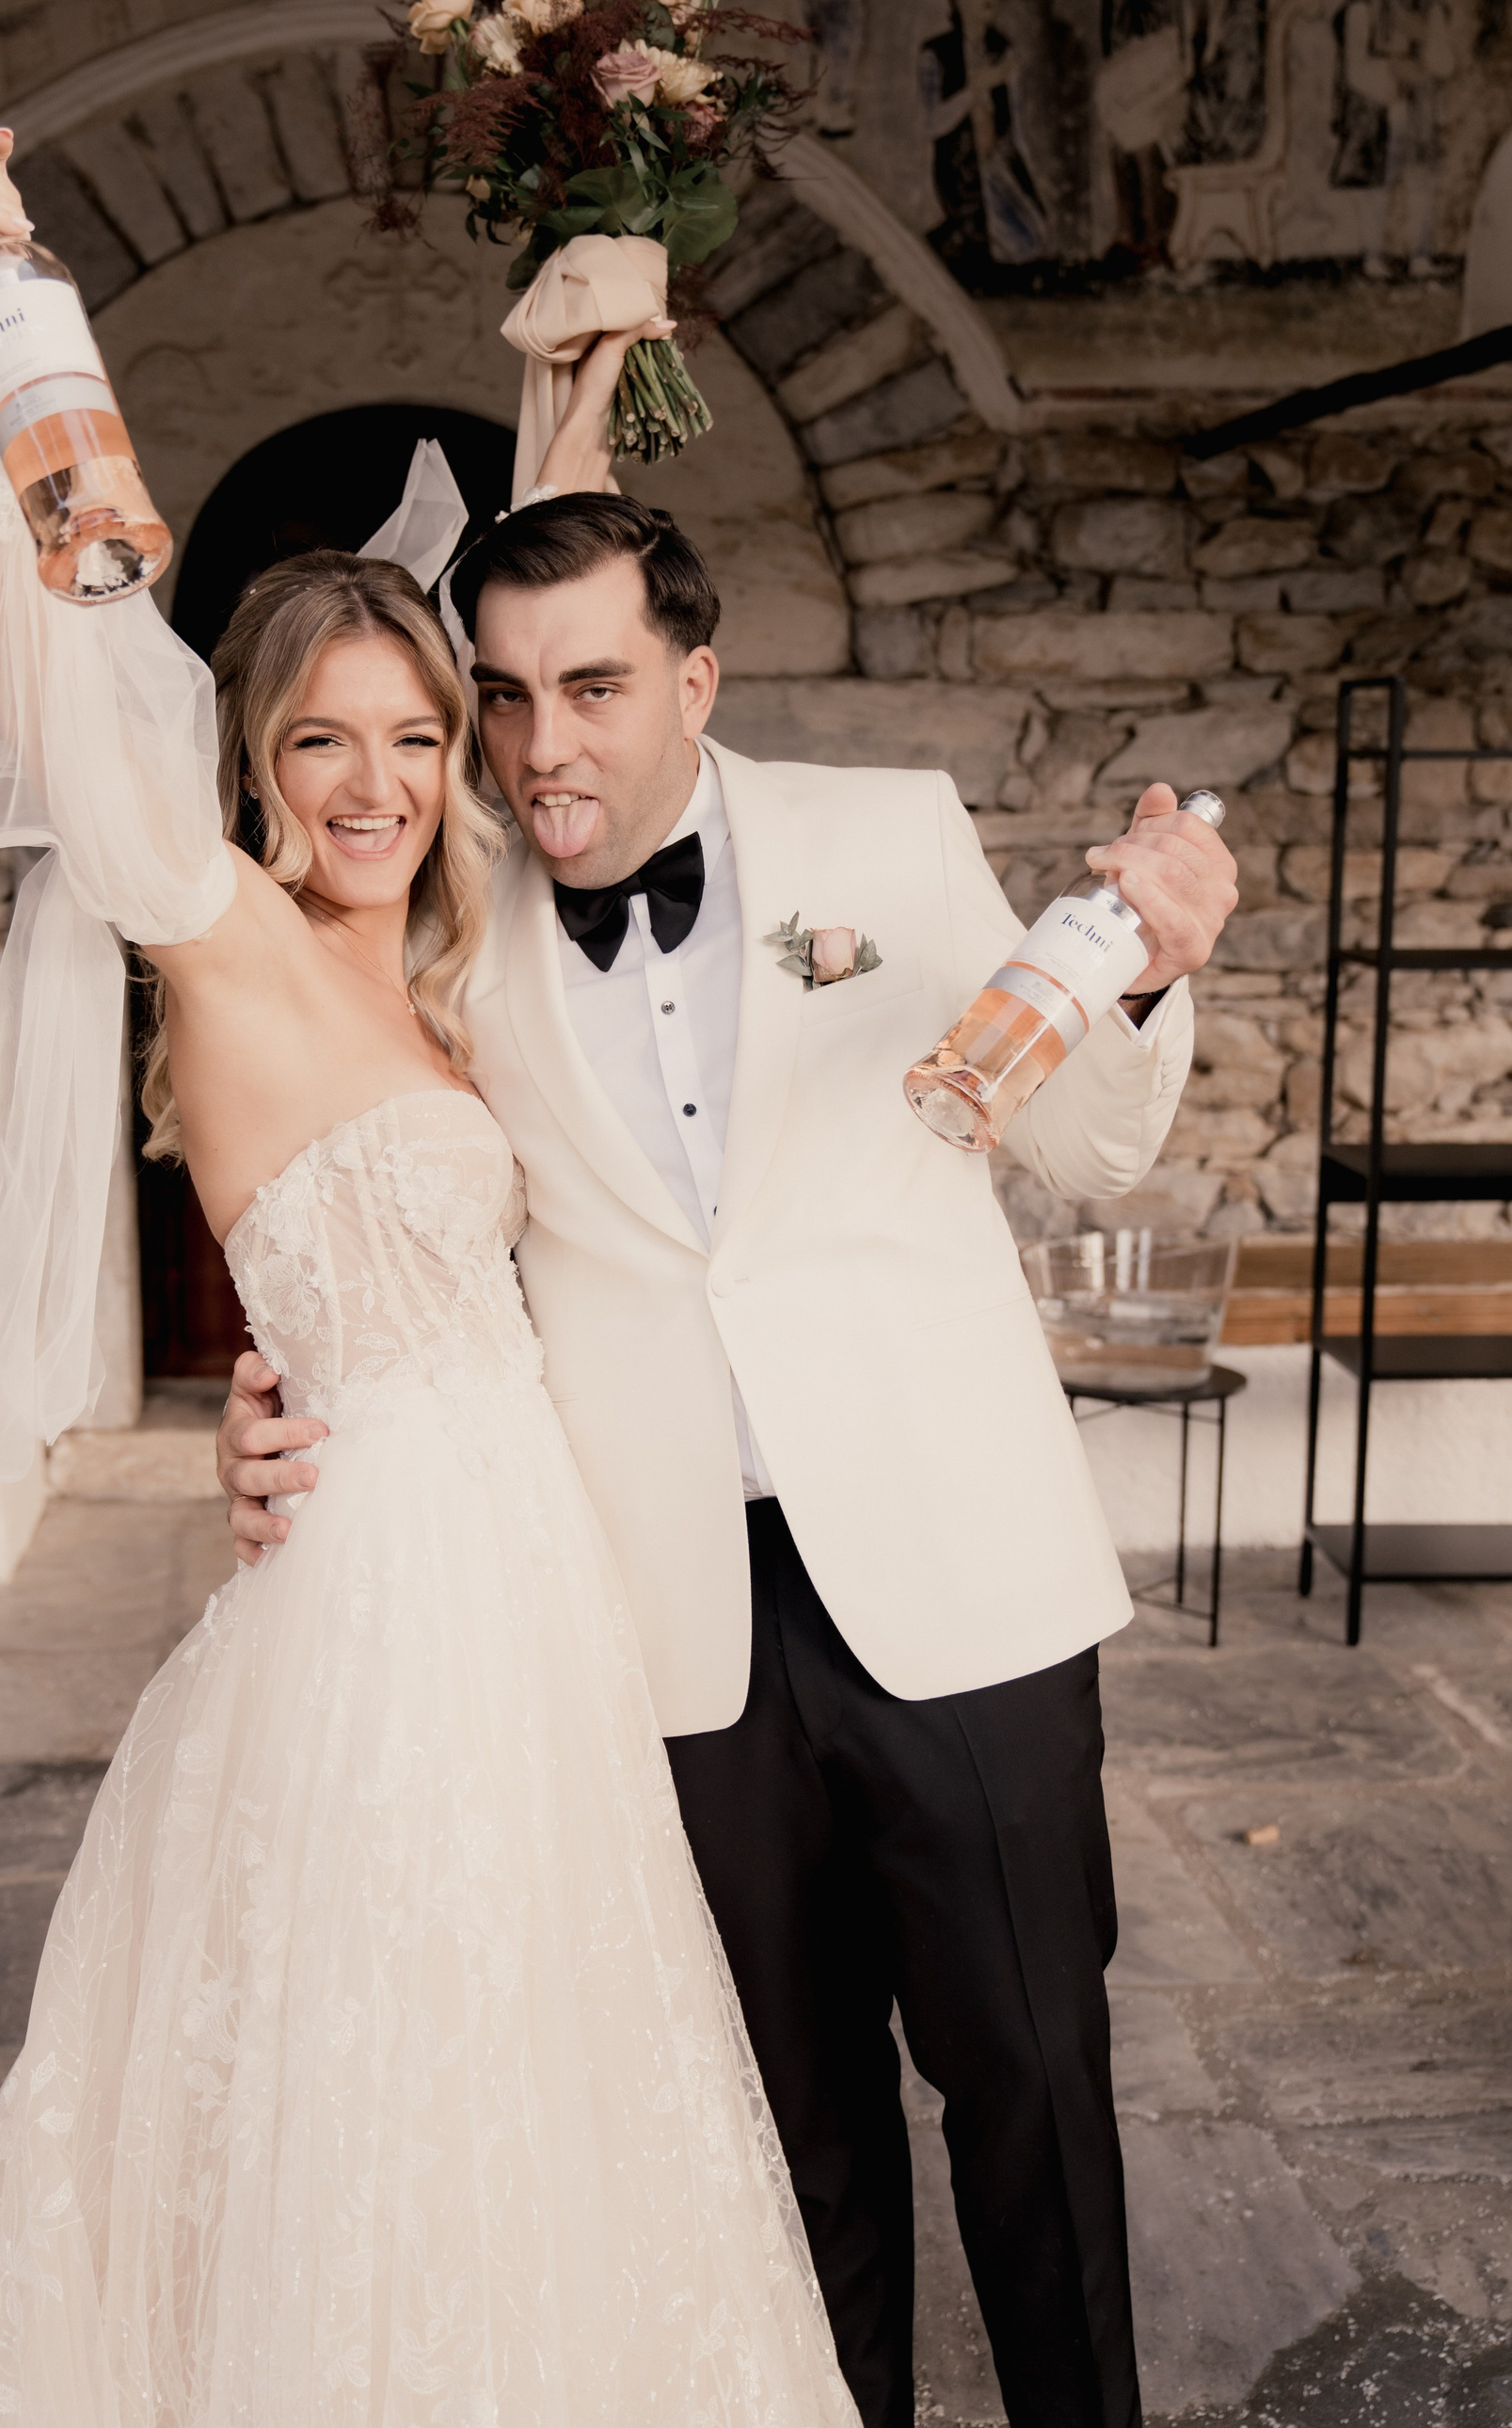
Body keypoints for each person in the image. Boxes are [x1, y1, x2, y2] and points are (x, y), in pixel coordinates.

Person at [0, 123, 860, 2428]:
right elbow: (74, 658)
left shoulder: (451, 969)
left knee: (549, 2062)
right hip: (386, 1599)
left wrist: (575, 370)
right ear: (255, 767)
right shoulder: (223, 942)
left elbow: (549, 633)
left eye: (414, 738)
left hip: (543, 1582)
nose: (380, 785)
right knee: (388, 2063)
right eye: (323, 744)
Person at [219, 443, 1238, 2423]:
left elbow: (1087, 1144)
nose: (542, 747)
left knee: (1033, 2086)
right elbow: (365, 1202)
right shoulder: (450, 916)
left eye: (593, 687)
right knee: (785, 2139)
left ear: (695, 678)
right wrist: (266, 1402)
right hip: (660, 1617)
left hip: (956, 1575)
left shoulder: (887, 831)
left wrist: (1152, 979)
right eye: (503, 697)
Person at [920, 0, 1049, 275]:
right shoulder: (935, 53)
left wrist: (1022, 164)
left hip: (998, 163)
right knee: (976, 251)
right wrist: (975, 90)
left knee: (1032, 238)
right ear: (959, 0)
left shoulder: (1003, 49)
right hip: (961, 168)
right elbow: (933, 124)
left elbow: (1014, 119)